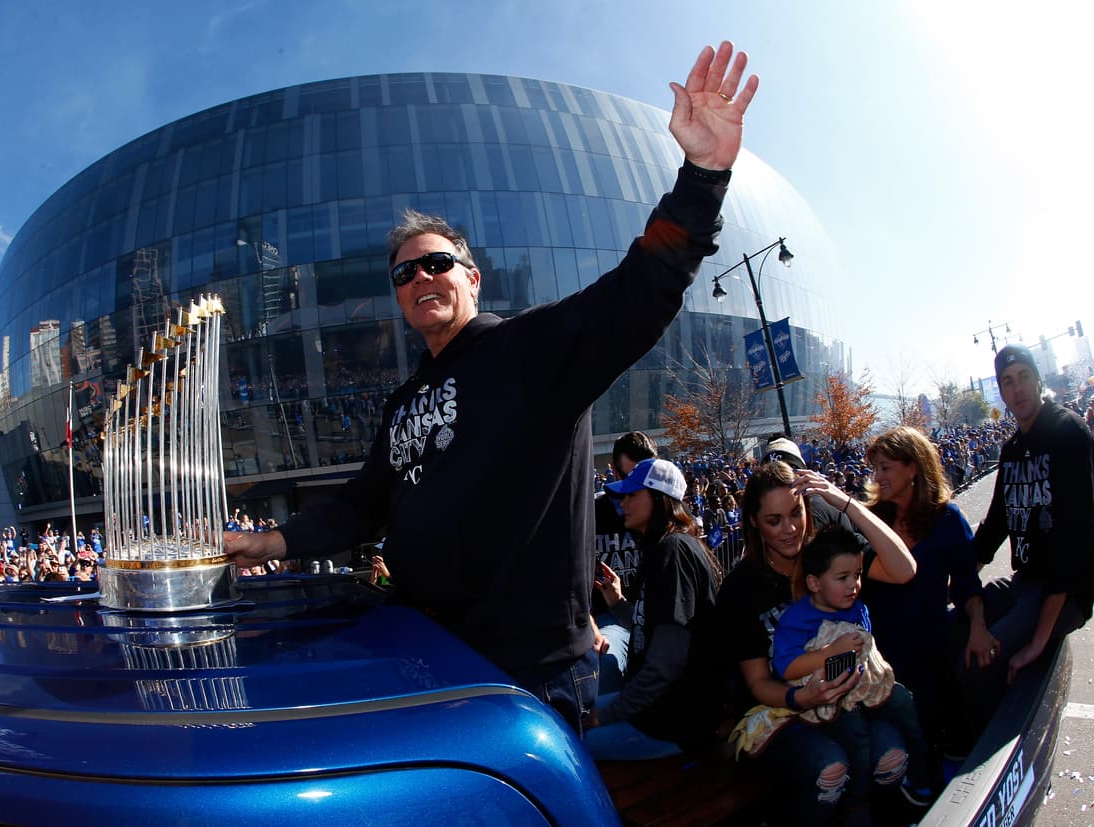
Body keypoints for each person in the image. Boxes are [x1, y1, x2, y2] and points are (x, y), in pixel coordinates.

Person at [225, 41, 759, 732]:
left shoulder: (528, 349)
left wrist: (703, 176)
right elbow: (363, 502)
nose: (421, 278)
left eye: (437, 263)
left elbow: (639, 293)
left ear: (472, 278)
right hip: (429, 658)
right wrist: (271, 542)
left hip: (528, 673)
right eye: (404, 274)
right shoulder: (403, 402)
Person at [716, 461, 917, 825]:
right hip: (785, 711)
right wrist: (802, 698)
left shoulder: (828, 555)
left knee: (891, 757)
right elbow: (759, 682)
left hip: (851, 699)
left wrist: (845, 503)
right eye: (774, 520)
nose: (790, 528)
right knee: (830, 769)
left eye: (796, 513)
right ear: (754, 522)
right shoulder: (741, 588)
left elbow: (904, 569)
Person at [962, 345, 1094, 733]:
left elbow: (1072, 545)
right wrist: (956, 583)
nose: (1017, 388)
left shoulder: (1068, 433)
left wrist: (1037, 641)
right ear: (1001, 393)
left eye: (1023, 377)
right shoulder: (1012, 450)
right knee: (954, 629)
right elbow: (994, 527)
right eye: (1007, 381)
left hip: (1067, 592)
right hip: (1025, 582)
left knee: (983, 659)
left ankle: (981, 748)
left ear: (1037, 380)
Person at [772, 526, 933, 818]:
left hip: (865, 687)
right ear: (814, 583)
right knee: (857, 739)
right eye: (842, 577)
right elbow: (786, 667)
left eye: (857, 575)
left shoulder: (858, 609)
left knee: (905, 703)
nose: (853, 585)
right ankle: (859, 805)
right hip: (831, 699)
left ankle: (923, 775)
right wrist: (830, 651)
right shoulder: (796, 620)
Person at [584, 459, 723, 760]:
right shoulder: (666, 547)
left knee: (570, 744)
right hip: (659, 710)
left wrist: (606, 715)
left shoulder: (673, 551)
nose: (623, 502)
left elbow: (666, 662)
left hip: (672, 722)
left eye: (633, 494)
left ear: (660, 499)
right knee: (568, 718)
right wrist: (617, 602)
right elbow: (650, 627)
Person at [862, 426, 986, 757]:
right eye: (875, 468)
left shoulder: (948, 519)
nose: (877, 477)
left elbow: (967, 585)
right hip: (881, 662)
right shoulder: (870, 521)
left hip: (932, 657)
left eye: (885, 467)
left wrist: (978, 628)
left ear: (913, 467)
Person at [592, 431, 658, 689]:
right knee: (605, 663)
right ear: (614, 472)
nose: (637, 491)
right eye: (630, 479)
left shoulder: (669, 523)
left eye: (647, 480)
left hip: (654, 621)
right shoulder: (591, 513)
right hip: (609, 620)